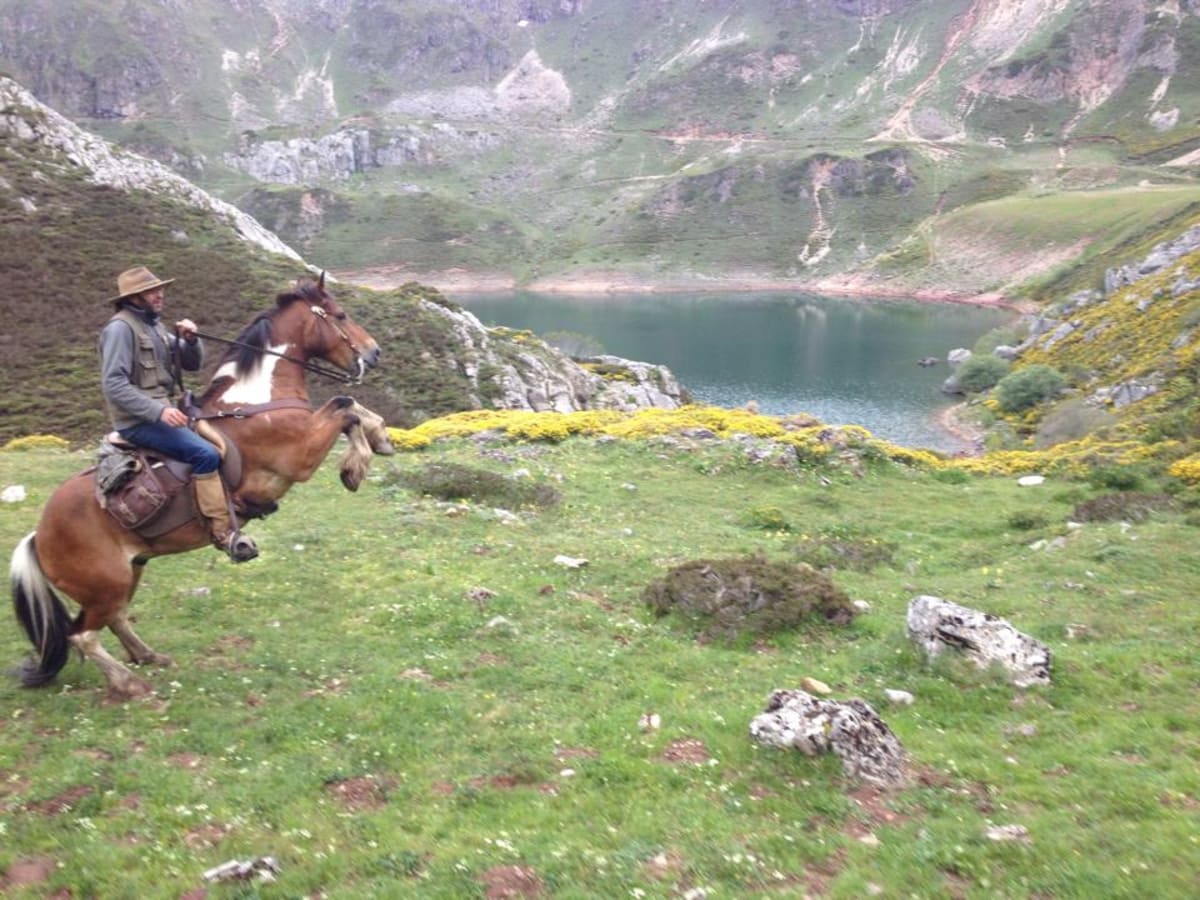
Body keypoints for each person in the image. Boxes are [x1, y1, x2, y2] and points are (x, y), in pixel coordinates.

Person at [99, 266, 257, 562]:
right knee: (205, 454)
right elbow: (114, 384)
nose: (160, 295)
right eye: (151, 291)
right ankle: (222, 533)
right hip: (139, 421)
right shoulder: (120, 329)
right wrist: (159, 411)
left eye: (160, 289)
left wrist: (191, 341)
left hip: (164, 412)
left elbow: (191, 363)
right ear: (133, 298)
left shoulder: (154, 326)